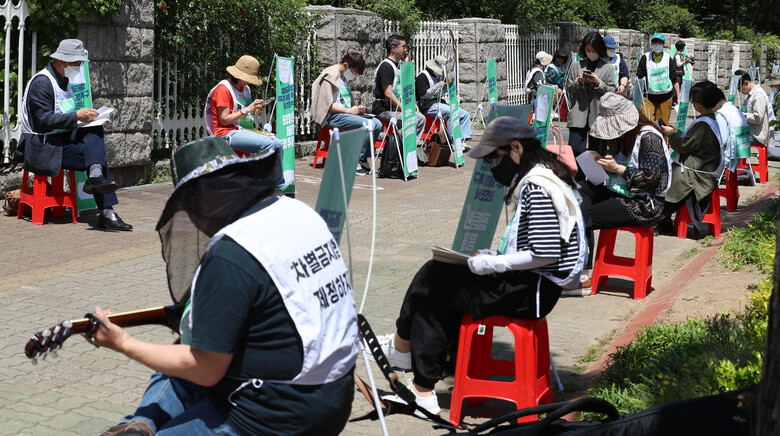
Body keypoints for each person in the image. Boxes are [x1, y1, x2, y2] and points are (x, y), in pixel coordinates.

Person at [92, 137, 359, 436]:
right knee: (181, 356)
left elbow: (206, 369)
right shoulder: (299, 213)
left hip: (276, 414)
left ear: (196, 199)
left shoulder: (233, 252)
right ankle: (143, 424)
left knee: (188, 359)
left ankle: (144, 423)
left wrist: (123, 343)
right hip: (336, 391)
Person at [375, 116, 587, 416]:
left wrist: (493, 263)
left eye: (495, 159)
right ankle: (410, 362)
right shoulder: (545, 174)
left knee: (434, 285)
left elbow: (545, 253)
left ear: (516, 148)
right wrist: (495, 256)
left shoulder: (537, 186)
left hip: (533, 290)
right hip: (536, 286)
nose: (491, 167)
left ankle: (415, 373)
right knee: (435, 275)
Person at [17, 39, 132, 231]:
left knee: (94, 130)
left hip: (56, 140)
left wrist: (85, 117)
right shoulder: (42, 83)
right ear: (64, 61)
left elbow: (63, 117)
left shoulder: (64, 80)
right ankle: (106, 210)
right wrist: (76, 116)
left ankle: (96, 177)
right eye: (77, 63)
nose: (79, 67)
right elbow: (43, 122)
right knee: (96, 156)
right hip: (40, 146)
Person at [578, 93, 671, 284]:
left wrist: (618, 168)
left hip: (646, 204)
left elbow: (650, 180)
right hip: (622, 191)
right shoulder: (626, 137)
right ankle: (581, 263)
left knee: (582, 215)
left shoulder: (649, 138)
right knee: (579, 191)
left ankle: (583, 272)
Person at [204, 55, 284, 188]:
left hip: (239, 130)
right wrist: (247, 110)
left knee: (277, 143)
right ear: (239, 75)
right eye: (248, 78)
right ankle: (275, 187)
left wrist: (255, 110)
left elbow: (243, 114)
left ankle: (273, 185)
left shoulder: (245, 89)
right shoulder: (223, 89)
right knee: (270, 145)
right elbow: (224, 120)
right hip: (226, 133)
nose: (249, 82)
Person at [658, 81, 723, 239]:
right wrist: (677, 132)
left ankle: (659, 217)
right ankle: (663, 218)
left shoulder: (702, 125)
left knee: (663, 177)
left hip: (699, 174)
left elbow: (682, 147)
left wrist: (671, 134)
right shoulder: (709, 120)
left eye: (694, 99)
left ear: (700, 102)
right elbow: (693, 142)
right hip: (707, 169)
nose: (692, 102)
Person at [310, 52, 383, 175]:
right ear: (346, 65)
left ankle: (363, 158)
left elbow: (345, 102)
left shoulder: (343, 77)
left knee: (377, 124)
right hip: (331, 117)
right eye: (354, 72)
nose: (354, 76)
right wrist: (349, 111)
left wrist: (356, 109)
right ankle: (353, 161)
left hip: (344, 114)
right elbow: (327, 106)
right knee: (367, 125)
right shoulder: (330, 76)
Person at [565, 31, 617, 156]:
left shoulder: (608, 68)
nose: (591, 52)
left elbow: (612, 92)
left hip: (599, 116)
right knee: (576, 150)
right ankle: (579, 175)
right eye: (588, 49)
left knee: (597, 153)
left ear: (599, 49)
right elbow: (569, 89)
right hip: (578, 115)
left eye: (594, 49)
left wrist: (599, 83)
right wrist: (578, 81)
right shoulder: (576, 66)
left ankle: (595, 176)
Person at [371, 34, 426, 143]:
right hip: (384, 109)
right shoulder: (386, 66)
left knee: (420, 118)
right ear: (393, 48)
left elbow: (408, 84)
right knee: (418, 120)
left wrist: (406, 63)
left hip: (394, 108)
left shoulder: (398, 65)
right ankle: (396, 143)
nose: (405, 50)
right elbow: (388, 93)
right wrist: (403, 108)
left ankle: (398, 143)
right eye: (403, 47)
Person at [415, 55, 473, 145]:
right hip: (427, 105)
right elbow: (423, 96)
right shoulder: (422, 76)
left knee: (465, 114)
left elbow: (444, 92)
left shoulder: (441, 76)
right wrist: (438, 85)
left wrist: (447, 87)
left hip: (440, 103)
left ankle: (463, 139)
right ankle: (453, 140)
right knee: (452, 113)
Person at [636, 33, 679, 125]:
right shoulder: (645, 58)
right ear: (652, 44)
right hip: (648, 97)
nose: (657, 44)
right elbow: (639, 78)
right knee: (647, 123)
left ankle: (663, 139)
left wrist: (679, 97)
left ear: (663, 44)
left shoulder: (668, 59)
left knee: (662, 126)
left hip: (665, 97)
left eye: (660, 42)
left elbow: (674, 80)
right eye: (655, 42)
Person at [735, 69, 771, 148]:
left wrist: (741, 115)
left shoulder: (758, 95)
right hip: (752, 133)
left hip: (757, 136)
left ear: (746, 83)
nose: (740, 91)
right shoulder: (751, 94)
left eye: (739, 88)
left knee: (731, 141)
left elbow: (758, 118)